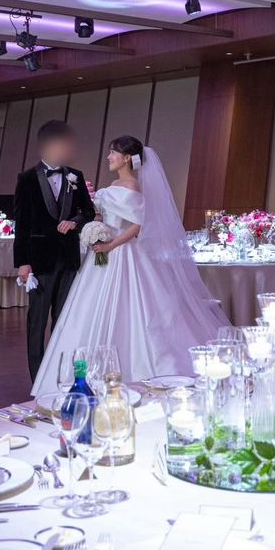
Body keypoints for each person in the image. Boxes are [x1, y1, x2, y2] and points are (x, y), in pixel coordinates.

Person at [32, 135, 230, 397]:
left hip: (123, 253)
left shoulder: (132, 186)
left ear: (126, 158)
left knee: (135, 308)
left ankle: (137, 369)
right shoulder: (115, 184)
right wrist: (95, 224)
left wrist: (110, 245)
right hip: (102, 255)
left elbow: (137, 226)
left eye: (113, 153)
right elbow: (105, 215)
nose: (109, 157)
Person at [14, 120, 96, 383]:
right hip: (40, 260)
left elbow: (89, 211)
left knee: (64, 320)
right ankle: (38, 379)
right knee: (37, 322)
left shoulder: (75, 176)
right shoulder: (27, 178)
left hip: (69, 259)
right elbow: (22, 224)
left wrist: (75, 221)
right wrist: (23, 262)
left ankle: (62, 374)